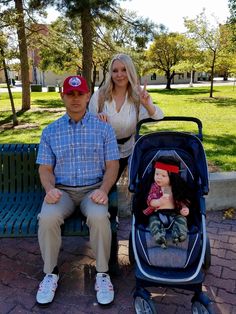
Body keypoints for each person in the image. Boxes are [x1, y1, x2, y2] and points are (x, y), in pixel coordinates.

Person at [36, 75, 120, 306]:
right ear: (62, 96)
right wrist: (49, 188)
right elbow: (45, 168)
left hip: (92, 190)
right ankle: (50, 273)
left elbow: (113, 165)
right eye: (70, 94)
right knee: (47, 218)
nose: (75, 99)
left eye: (80, 94)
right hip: (62, 191)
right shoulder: (50, 131)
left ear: (88, 96)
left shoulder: (103, 129)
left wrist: (104, 189)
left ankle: (102, 274)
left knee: (99, 216)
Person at [89, 53, 164, 181]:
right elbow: (88, 125)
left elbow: (158, 117)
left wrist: (147, 105)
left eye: (124, 69)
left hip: (129, 150)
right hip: (103, 153)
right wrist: (96, 120)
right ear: (110, 74)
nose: (119, 75)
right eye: (115, 71)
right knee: (102, 188)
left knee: (135, 186)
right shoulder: (99, 96)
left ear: (130, 71)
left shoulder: (137, 96)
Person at [143, 157, 191, 248]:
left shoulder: (176, 188)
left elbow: (181, 200)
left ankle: (178, 234)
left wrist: (184, 208)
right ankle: (159, 236)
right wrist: (159, 201)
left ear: (172, 176)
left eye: (163, 176)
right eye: (157, 174)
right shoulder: (155, 187)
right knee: (153, 221)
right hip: (158, 213)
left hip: (174, 214)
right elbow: (150, 200)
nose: (159, 177)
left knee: (182, 220)